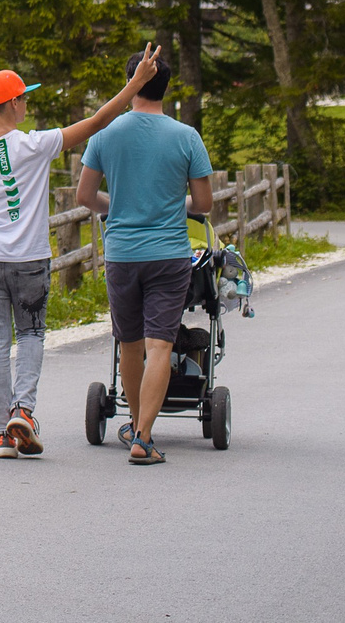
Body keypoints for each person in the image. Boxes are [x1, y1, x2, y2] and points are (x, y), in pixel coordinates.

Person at [0, 46, 164, 459]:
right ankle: (23, 410)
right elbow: (98, 122)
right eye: (25, 98)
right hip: (28, 261)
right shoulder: (37, 145)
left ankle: (0, 435)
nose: (27, 104)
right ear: (13, 104)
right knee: (30, 335)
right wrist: (136, 84)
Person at [73, 47, 213, 467]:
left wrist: (119, 206)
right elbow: (203, 203)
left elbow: (84, 196)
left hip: (122, 254)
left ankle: (135, 423)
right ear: (166, 87)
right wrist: (170, 201)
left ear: (131, 84)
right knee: (160, 345)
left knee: (128, 344)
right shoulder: (186, 137)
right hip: (168, 254)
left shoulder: (105, 135)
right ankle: (144, 438)